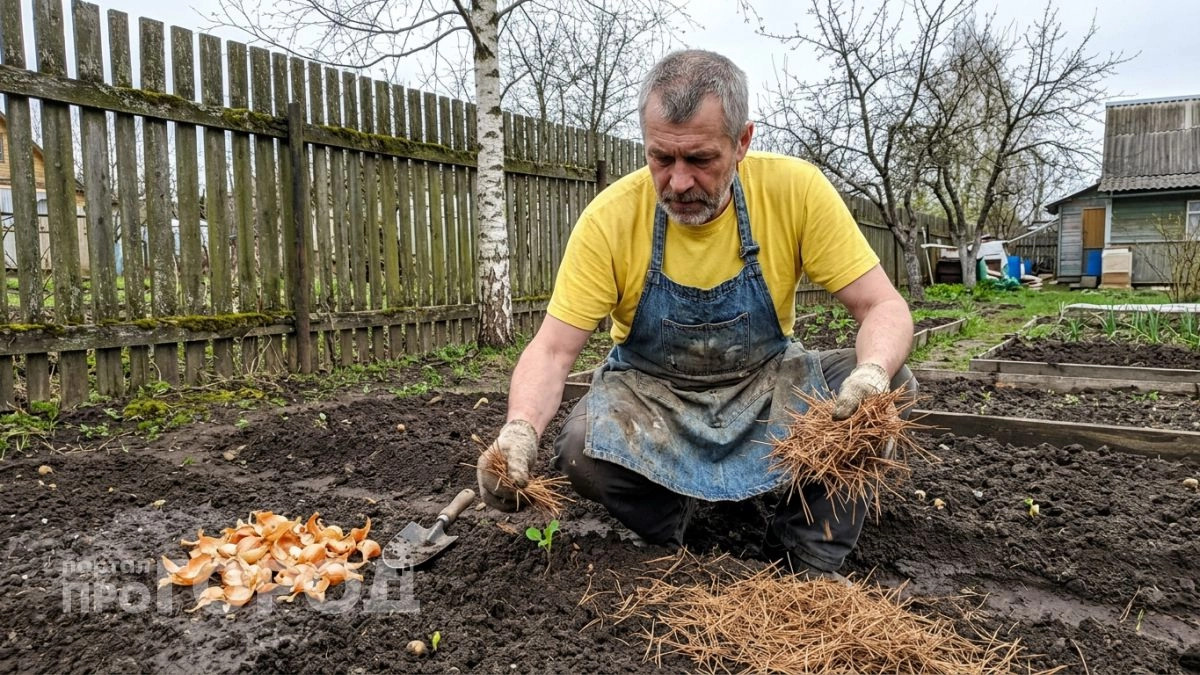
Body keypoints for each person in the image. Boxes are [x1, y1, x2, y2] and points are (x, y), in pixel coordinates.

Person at [476, 49, 916, 577]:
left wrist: (869, 373)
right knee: (580, 447)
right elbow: (551, 350)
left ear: (742, 142)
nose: (678, 182)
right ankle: (684, 529)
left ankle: (806, 550)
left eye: (700, 160)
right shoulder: (610, 220)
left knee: (891, 384)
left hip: (765, 389)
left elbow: (883, 306)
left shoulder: (794, 191)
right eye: (662, 158)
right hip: (655, 397)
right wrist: (519, 430)